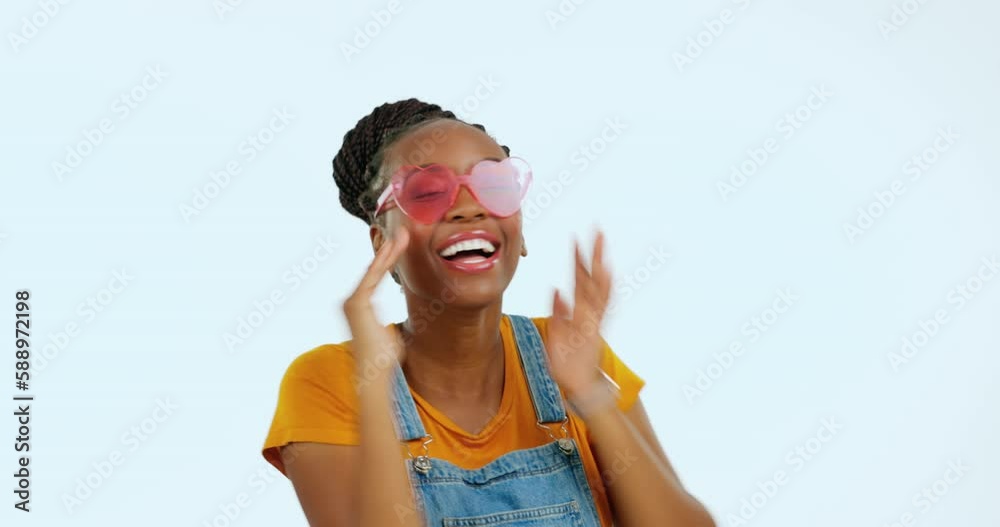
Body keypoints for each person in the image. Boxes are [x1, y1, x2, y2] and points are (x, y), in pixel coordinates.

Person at [261, 98, 715, 527]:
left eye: (494, 185)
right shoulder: (327, 380)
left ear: (519, 233)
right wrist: (376, 385)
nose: (467, 207)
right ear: (382, 242)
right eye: (426, 192)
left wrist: (589, 392)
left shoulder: (571, 351)